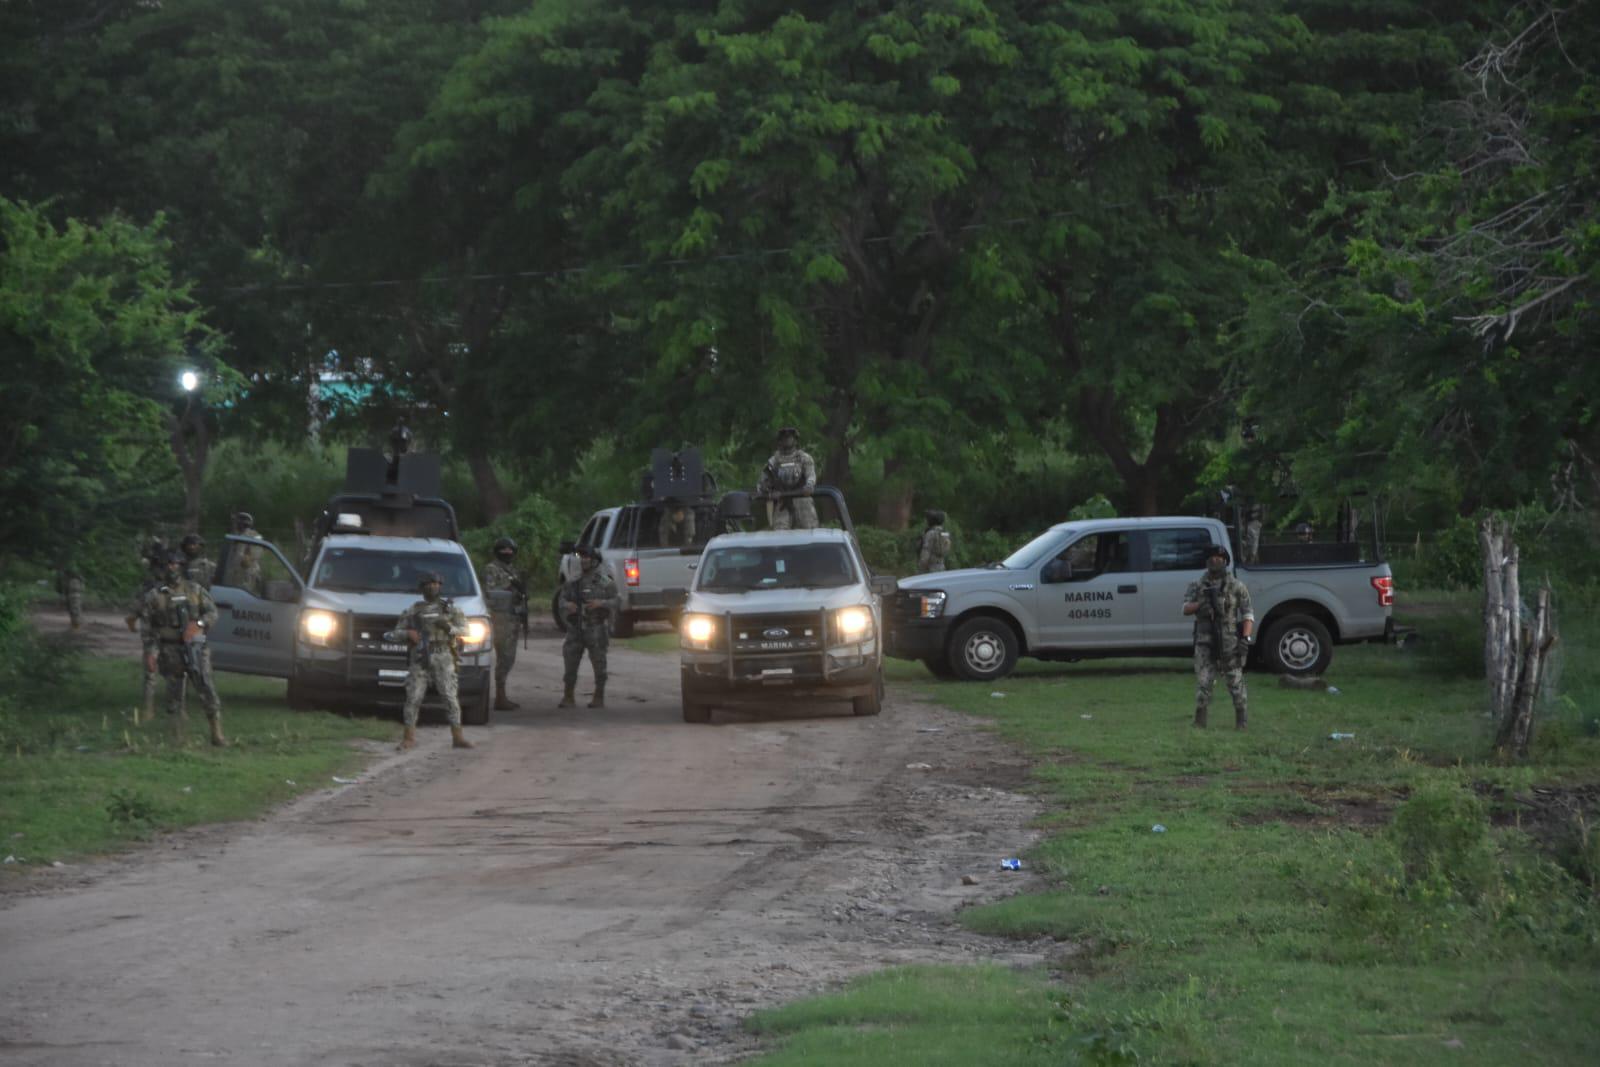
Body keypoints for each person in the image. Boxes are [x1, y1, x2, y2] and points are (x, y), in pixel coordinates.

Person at [137, 550, 225, 745]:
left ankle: (216, 734)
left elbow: (212, 612)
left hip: (195, 647)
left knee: (206, 687)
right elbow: (147, 628)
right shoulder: (154, 596)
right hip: (170, 649)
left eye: (176, 564)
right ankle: (178, 736)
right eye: (168, 564)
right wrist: (151, 653)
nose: (172, 568)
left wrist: (199, 624)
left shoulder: (194, 590)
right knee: (174, 693)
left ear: (182, 566)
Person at [389, 572, 474, 751]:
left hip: (443, 655)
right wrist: (408, 634)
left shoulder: (450, 609)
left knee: (450, 697)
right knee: (413, 697)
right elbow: (393, 634)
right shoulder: (413, 610)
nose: (433, 587)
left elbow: (466, 631)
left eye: (436, 583)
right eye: (429, 584)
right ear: (422, 587)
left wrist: (448, 627)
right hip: (420, 656)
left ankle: (457, 737)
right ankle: (408, 738)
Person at [1181, 544, 1254, 730]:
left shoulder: (1237, 586)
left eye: (1219, 558)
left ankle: (1242, 722)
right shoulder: (1197, 586)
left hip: (1229, 642)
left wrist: (1245, 639)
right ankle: (1200, 722)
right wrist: (1201, 604)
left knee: (1236, 683)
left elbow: (1248, 615)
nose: (1215, 560)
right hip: (1205, 642)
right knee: (1204, 683)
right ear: (1206, 562)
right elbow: (1185, 608)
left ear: (1225, 562)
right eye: (1211, 557)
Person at [558, 545, 618, 709]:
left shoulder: (604, 580)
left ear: (594, 560)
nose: (583, 560)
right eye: (581, 557)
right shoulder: (573, 581)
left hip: (596, 628)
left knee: (599, 664)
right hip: (575, 629)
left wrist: (601, 603)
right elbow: (561, 600)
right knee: (570, 663)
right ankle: (568, 696)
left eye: (587, 557)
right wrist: (567, 605)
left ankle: (599, 696)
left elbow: (616, 600)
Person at [125, 538, 169, 722]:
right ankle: (150, 709)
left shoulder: (165, 579)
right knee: (156, 671)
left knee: (158, 672)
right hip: (157, 631)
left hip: (164, 630)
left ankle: (153, 709)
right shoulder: (152, 582)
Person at [480, 536, 526, 710]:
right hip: (500, 618)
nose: (507, 553)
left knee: (508, 658)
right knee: (504, 657)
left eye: (510, 551)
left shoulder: (512, 569)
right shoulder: (492, 569)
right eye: (504, 550)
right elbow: (491, 590)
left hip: (512, 617)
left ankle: (501, 695)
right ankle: (500, 696)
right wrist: (511, 583)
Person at [757, 427, 818, 530]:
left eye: (790, 437)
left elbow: (811, 475)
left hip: (802, 500)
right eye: (784, 438)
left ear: (795, 440)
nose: (787, 440)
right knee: (780, 534)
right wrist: (768, 491)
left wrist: (809, 485)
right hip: (782, 501)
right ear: (779, 441)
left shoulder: (804, 458)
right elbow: (762, 483)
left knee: (810, 531)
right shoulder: (774, 461)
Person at [224, 511, 262, 591]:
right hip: (234, 574)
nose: (236, 524)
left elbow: (250, 560)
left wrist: (245, 557)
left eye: (237, 522)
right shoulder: (236, 535)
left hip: (246, 574)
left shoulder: (253, 536)